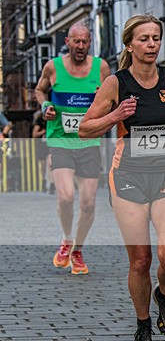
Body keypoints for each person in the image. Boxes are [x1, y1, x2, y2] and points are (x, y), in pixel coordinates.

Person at [79, 15, 165, 341]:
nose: (152, 44)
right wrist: (115, 116)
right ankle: (143, 324)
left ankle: (163, 295)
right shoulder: (117, 82)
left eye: (156, 38)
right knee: (140, 260)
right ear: (130, 44)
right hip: (128, 177)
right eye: (144, 39)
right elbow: (85, 128)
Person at [34, 22, 110, 274]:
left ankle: (77, 249)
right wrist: (45, 107)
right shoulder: (53, 67)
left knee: (88, 204)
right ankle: (67, 239)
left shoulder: (100, 67)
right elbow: (39, 90)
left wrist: (104, 99)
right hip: (60, 140)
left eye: (85, 42)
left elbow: (112, 98)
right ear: (67, 41)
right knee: (66, 196)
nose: (80, 46)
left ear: (90, 43)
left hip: (89, 142)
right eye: (76, 41)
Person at [32, 110, 49, 192]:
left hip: (50, 144)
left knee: (50, 163)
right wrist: (44, 131)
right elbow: (34, 134)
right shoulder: (40, 122)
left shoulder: (53, 120)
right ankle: (43, 181)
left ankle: (52, 184)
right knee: (43, 165)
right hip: (42, 145)